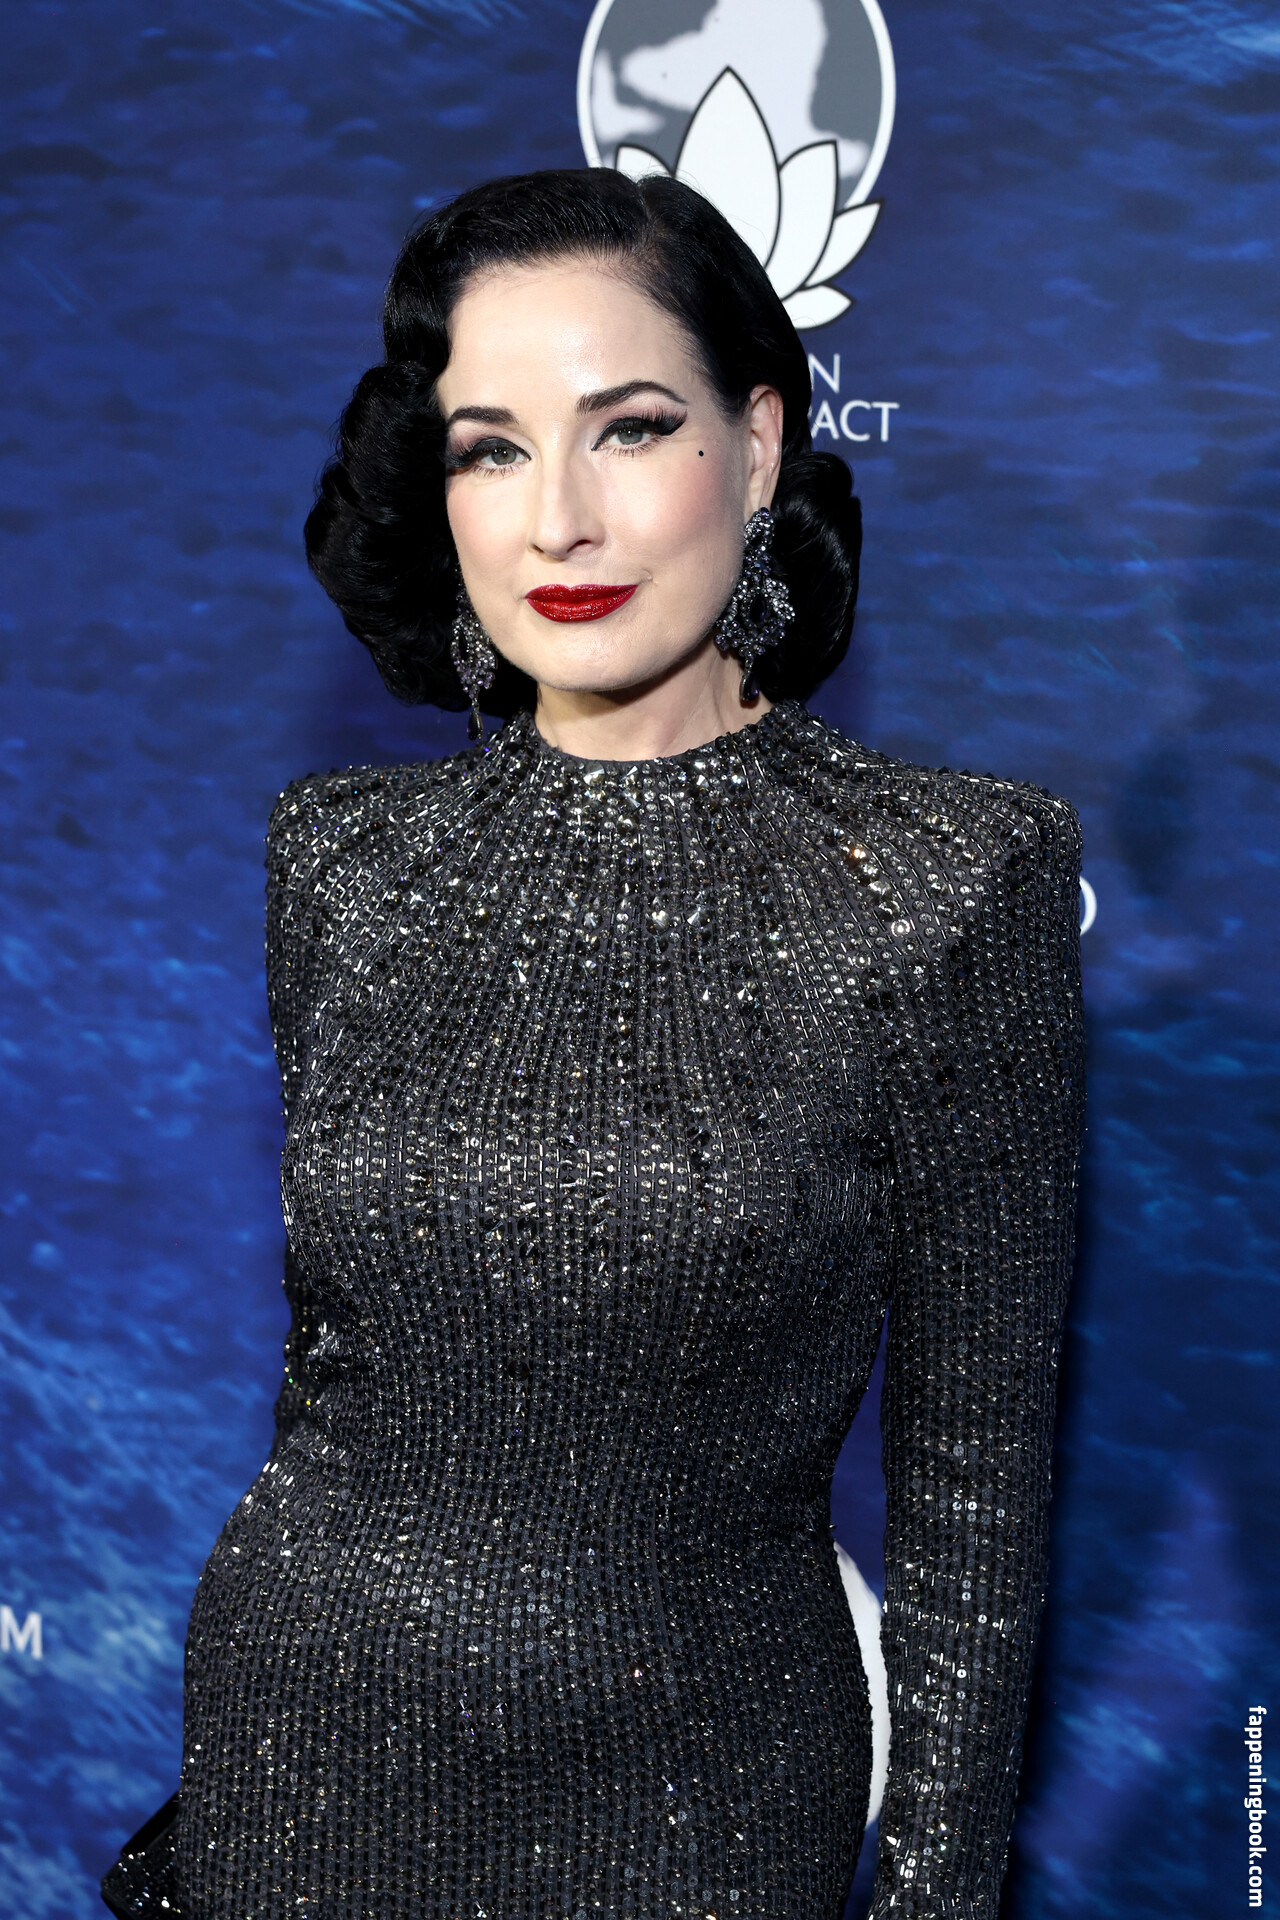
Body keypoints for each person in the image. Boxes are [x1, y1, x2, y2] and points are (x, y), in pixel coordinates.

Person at [103, 168, 1084, 1920]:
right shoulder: (345, 862)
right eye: (491, 450)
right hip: (301, 1765)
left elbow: (974, 1497)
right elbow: (341, 1373)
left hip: (700, 1799)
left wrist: (936, 1896)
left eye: (628, 429)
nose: (558, 519)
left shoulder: (950, 883)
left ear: (759, 446)